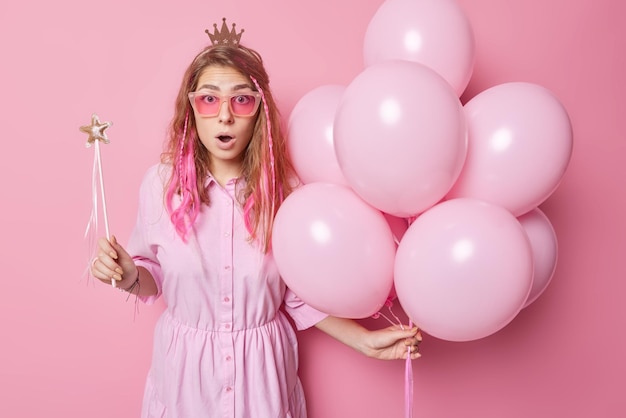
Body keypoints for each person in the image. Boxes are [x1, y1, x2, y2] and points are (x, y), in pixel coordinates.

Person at [90, 18, 421, 418]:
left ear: (259, 110)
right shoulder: (161, 185)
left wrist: (364, 341)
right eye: (209, 99)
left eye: (241, 99)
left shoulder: (287, 190)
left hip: (263, 381)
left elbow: (297, 296)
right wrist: (127, 275)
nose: (224, 115)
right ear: (191, 108)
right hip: (185, 383)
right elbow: (151, 274)